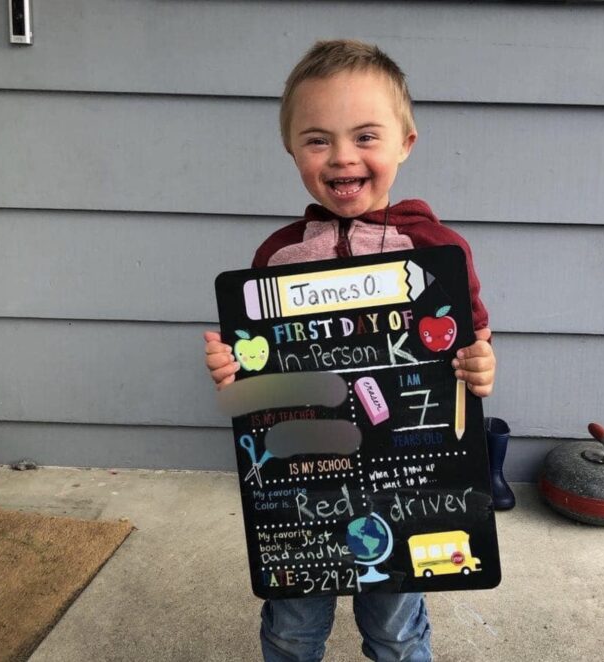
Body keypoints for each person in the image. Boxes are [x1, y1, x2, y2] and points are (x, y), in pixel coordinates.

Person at [203, 39, 497, 662]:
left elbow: (471, 339)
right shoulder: (277, 257)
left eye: (366, 136)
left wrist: (480, 365)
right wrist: (233, 371)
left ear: (405, 143)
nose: (342, 157)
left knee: (396, 629)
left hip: (407, 476)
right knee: (291, 628)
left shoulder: (435, 249)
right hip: (302, 480)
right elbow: (256, 370)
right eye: (318, 140)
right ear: (291, 149)